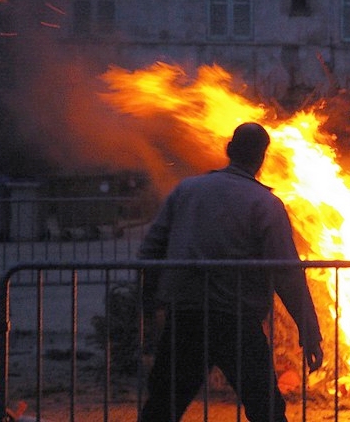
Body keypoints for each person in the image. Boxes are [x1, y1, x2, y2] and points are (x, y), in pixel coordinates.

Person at [137, 122, 323, 422]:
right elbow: (286, 273)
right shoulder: (265, 203)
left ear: (229, 149)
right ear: (261, 158)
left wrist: (150, 304)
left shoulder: (187, 190)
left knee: (161, 408)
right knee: (266, 410)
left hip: (187, 318)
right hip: (236, 322)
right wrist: (309, 331)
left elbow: (150, 251)